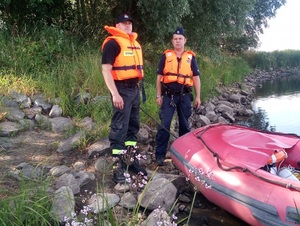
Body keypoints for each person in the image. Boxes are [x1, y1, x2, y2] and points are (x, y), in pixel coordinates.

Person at [101, 13, 147, 183]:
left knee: (132, 127)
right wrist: (115, 93)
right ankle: (118, 167)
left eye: (130, 23)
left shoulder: (133, 43)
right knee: (119, 128)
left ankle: (130, 161)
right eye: (124, 23)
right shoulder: (113, 43)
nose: (128, 26)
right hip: (121, 89)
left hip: (134, 90)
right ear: (117, 26)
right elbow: (106, 70)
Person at [155, 27, 201, 166]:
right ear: (172, 41)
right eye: (175, 39)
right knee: (165, 125)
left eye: (180, 39)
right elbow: (159, 78)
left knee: (185, 126)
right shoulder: (166, 56)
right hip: (169, 96)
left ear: (184, 40)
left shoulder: (191, 58)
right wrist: (159, 95)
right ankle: (160, 155)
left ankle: (184, 155)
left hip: (185, 96)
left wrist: (198, 96)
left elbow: (196, 78)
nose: (178, 41)